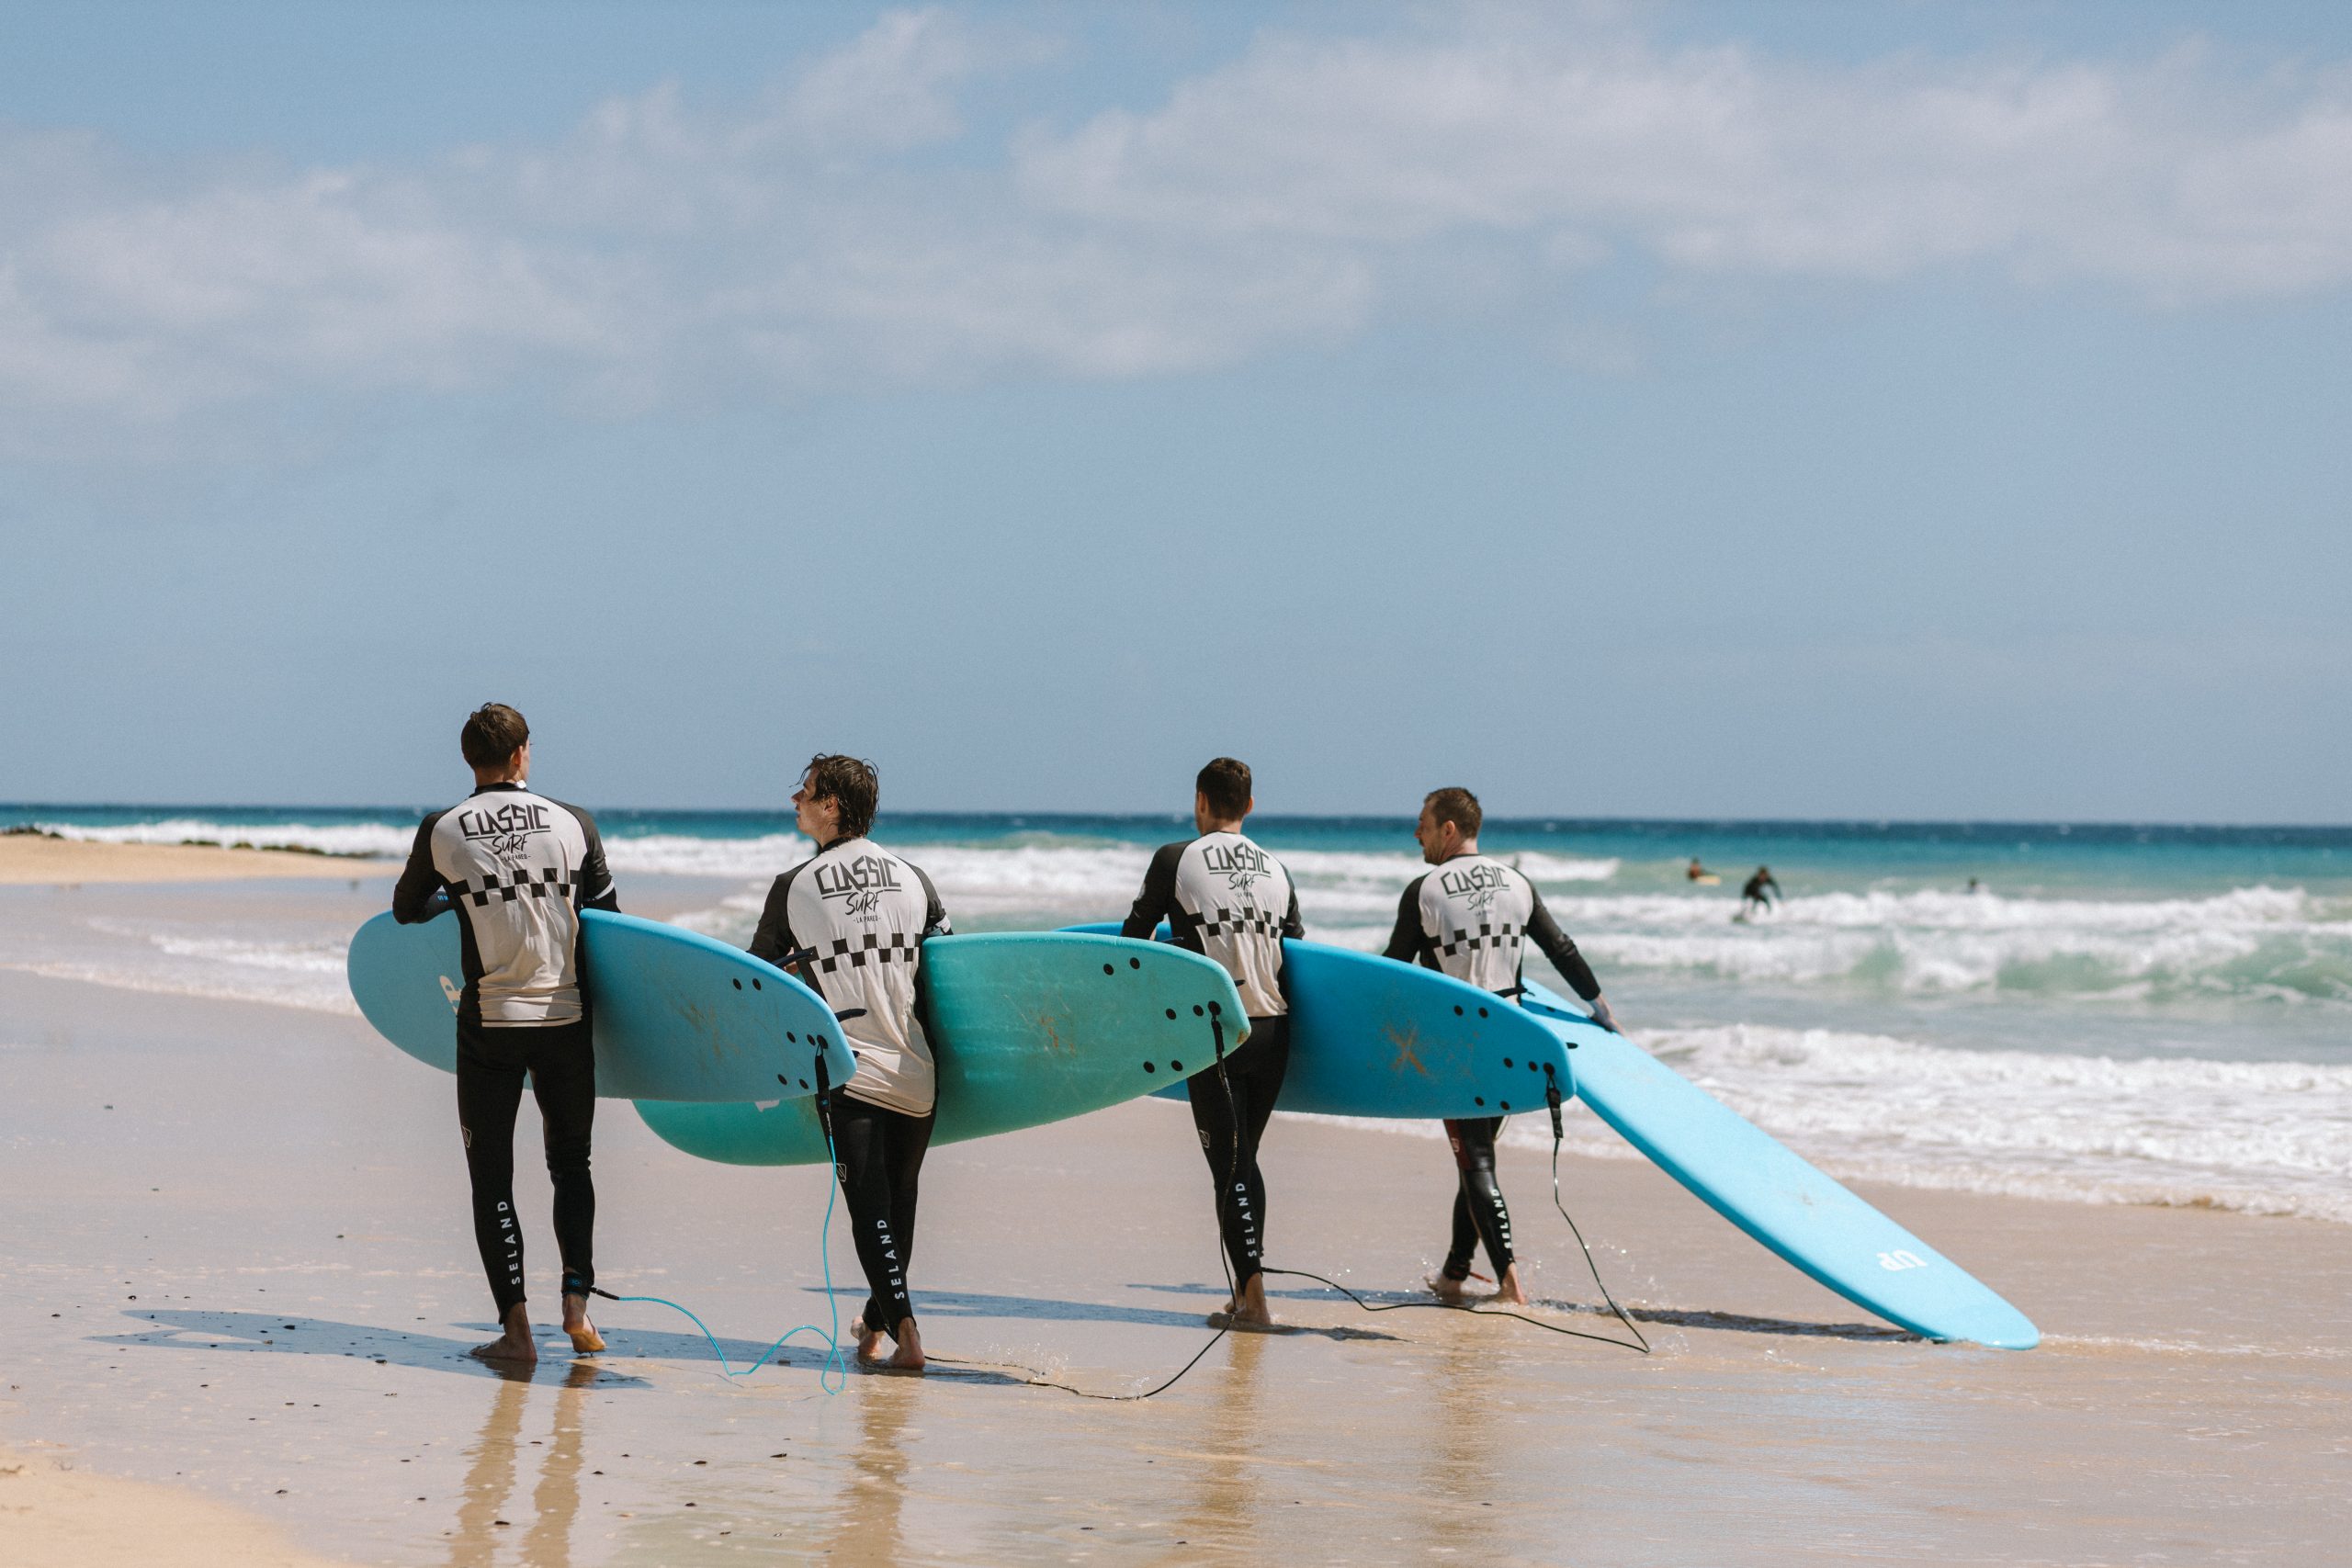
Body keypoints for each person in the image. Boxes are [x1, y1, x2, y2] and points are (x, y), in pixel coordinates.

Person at [391, 704, 619, 1364]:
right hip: (566, 1020)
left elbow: (406, 908)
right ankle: (576, 1303)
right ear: (523, 753)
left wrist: (457, 898)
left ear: (470, 760)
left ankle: (517, 1331)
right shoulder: (575, 822)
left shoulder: (443, 829)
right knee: (570, 1163)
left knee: (492, 1178)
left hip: (489, 1023)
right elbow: (609, 923)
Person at [749, 755, 950, 1373]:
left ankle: (908, 1337)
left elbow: (753, 979)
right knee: (899, 1197)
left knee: (870, 1207)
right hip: (918, 1071)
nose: (795, 801)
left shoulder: (794, 885)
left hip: (847, 1067)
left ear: (831, 804)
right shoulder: (914, 877)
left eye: (804, 791)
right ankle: (876, 1325)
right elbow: (945, 972)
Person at [1383, 787, 1619, 1306]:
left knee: (1477, 1164)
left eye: (1423, 823)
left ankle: (1511, 1284)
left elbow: (1393, 974)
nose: (1415, 832)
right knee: (1476, 1158)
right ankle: (1454, 1274)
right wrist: (1599, 1008)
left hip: (1456, 1047)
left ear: (1448, 829)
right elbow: (1562, 949)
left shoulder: (1424, 890)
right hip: (1511, 1042)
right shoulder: (1517, 882)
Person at [1122, 757, 1304, 1329]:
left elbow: (1134, 941)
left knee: (1230, 1166)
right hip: (1274, 1031)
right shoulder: (1277, 868)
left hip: (1215, 1032)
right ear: (1249, 806)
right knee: (1243, 1158)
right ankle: (1246, 1289)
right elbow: (1295, 950)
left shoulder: (1176, 858)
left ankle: (1255, 1303)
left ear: (1201, 801)